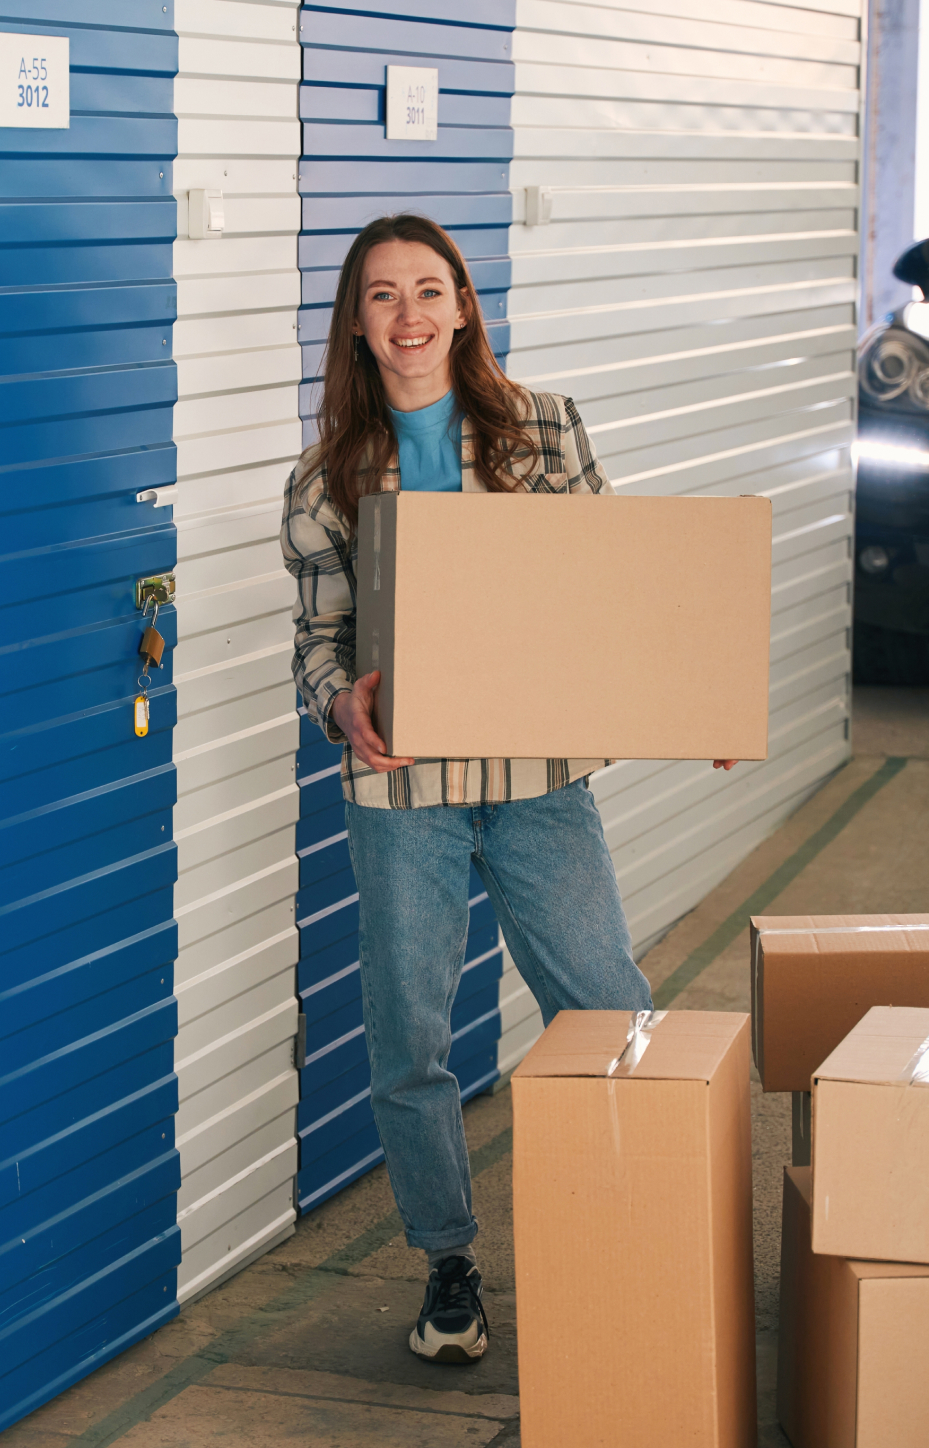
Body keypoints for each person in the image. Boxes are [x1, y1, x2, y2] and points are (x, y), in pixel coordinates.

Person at [281, 213, 738, 1365]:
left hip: (538, 780)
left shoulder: (540, 426)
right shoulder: (324, 476)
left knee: (607, 1002)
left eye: (429, 288)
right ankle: (447, 1261)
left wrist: (696, 699)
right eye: (381, 295)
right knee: (411, 1039)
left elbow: (614, 586)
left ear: (465, 304)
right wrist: (342, 703)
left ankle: (642, 1229)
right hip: (404, 796)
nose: (410, 313)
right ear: (355, 320)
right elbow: (317, 643)